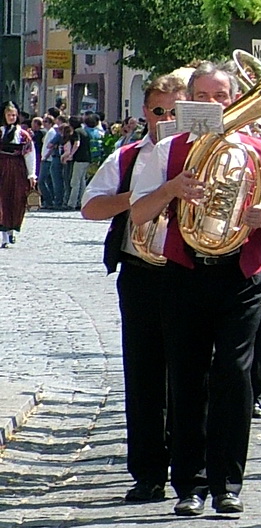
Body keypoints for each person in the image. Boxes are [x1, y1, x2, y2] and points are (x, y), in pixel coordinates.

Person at [127, 61, 261, 517]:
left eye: (220, 97)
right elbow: (139, 214)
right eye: (201, 97)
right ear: (188, 102)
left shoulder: (259, 151)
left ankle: (228, 483)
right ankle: (190, 484)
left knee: (235, 375)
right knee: (187, 375)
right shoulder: (166, 151)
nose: (212, 105)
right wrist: (172, 190)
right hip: (185, 272)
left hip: (240, 273)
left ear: (234, 100)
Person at [81, 74, 185, 499]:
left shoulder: (201, 159)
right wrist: (140, 197)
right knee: (143, 374)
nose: (166, 119)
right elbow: (90, 207)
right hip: (140, 271)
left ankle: (188, 467)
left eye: (175, 112)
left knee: (189, 374)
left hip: (187, 273)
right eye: (158, 111)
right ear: (146, 112)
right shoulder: (127, 157)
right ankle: (147, 473)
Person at [0, 101, 37, 247]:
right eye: (9, 115)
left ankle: (11, 232)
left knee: (16, 201)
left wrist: (31, 174)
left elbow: (29, 154)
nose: (11, 117)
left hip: (17, 170)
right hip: (1, 168)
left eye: (14, 115)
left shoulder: (23, 135)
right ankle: (3, 235)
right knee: (2, 201)